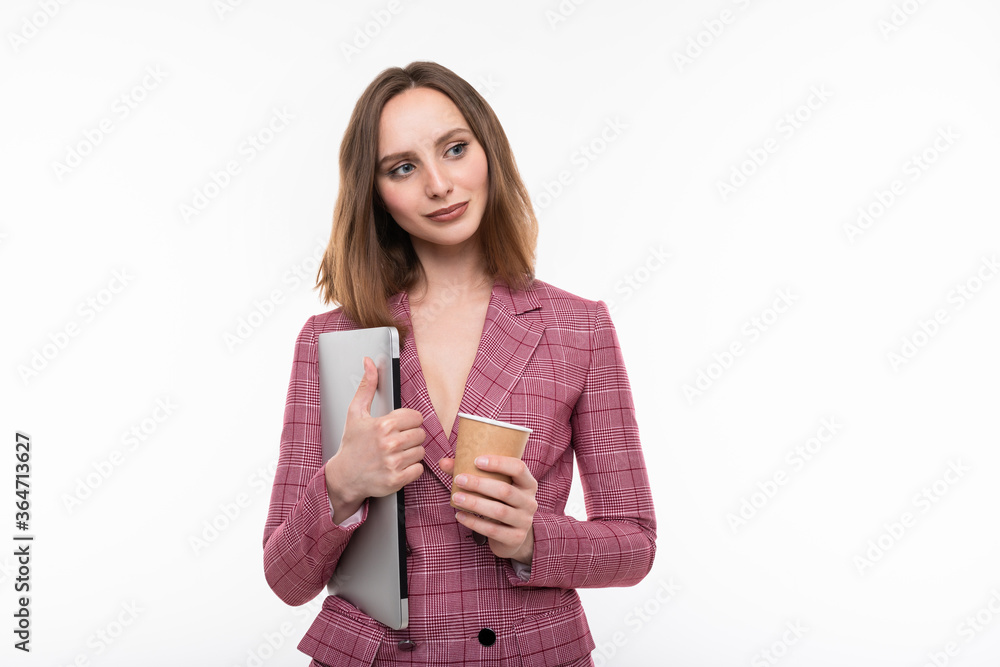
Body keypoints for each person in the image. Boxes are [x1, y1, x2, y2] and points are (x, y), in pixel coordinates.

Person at [262, 61, 656, 666]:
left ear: (488, 150)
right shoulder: (334, 337)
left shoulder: (579, 328)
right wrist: (343, 483)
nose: (439, 185)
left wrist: (532, 536)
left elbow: (635, 546)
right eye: (403, 167)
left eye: (454, 148)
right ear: (377, 194)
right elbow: (286, 579)